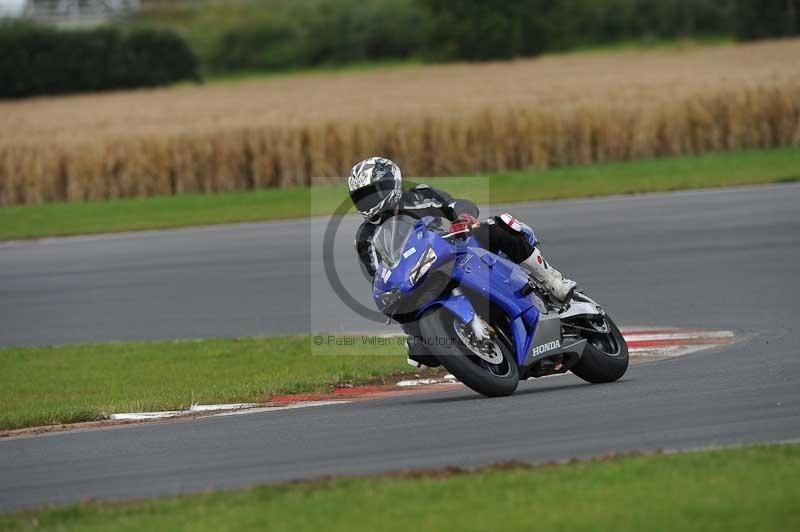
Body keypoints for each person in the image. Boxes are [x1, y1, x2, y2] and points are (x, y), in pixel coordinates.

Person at [349, 156, 576, 367]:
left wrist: (463, 218)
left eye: (372, 194)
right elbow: (379, 276)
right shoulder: (365, 238)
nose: (368, 203)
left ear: (391, 185)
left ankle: (551, 280)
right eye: (361, 198)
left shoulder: (421, 196)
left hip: (457, 250)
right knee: (419, 347)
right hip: (418, 280)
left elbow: (455, 204)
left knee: (498, 225)